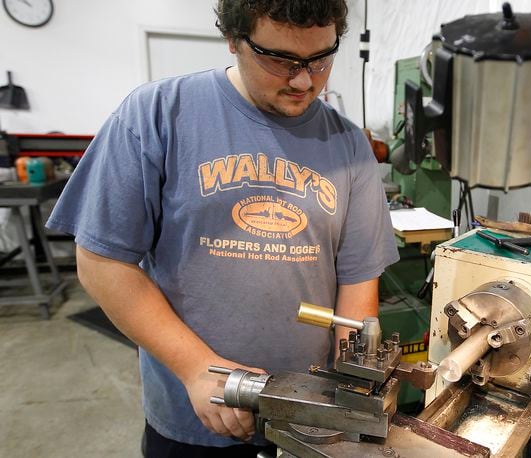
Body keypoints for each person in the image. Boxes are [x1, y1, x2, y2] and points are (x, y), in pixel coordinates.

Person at [46, 0, 399, 456]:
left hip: (309, 420)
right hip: (192, 415)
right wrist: (197, 368)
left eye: (321, 58)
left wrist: (350, 393)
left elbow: (356, 282)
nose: (304, 80)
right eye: (280, 59)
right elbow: (101, 263)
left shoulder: (350, 146)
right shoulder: (157, 114)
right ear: (233, 39)